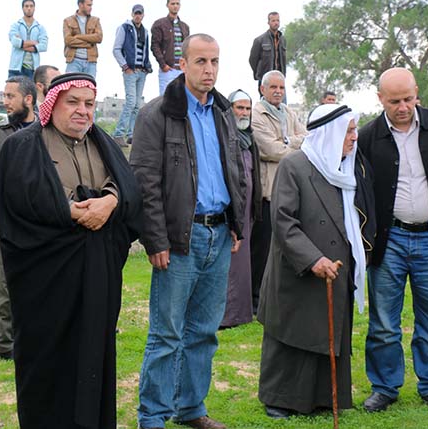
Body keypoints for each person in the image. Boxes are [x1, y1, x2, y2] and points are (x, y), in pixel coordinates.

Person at [0, 72, 142, 429]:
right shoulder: (23, 146)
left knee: (94, 358)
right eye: (72, 102)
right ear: (52, 103)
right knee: (48, 366)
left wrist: (110, 201)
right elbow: (17, 202)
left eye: (89, 104)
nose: (82, 111)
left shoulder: (103, 143)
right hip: (46, 283)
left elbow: (130, 189)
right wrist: (68, 211)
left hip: (96, 276)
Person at [131, 34, 246, 429]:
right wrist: (155, 239)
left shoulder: (223, 112)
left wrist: (236, 222)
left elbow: (235, 170)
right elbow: (144, 182)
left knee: (204, 332)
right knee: (166, 334)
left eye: (214, 61)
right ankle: (152, 416)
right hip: (180, 239)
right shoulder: (157, 114)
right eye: (200, 61)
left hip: (219, 232)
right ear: (182, 64)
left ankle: (191, 408)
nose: (209, 69)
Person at [357, 67, 428, 415]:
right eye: (394, 101)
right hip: (388, 240)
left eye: (408, 98)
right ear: (380, 99)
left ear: (417, 92)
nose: (403, 107)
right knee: (383, 322)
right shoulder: (367, 136)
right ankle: (384, 387)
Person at [258, 103, 374, 419]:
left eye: (354, 130)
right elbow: (283, 221)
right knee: (292, 334)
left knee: (327, 332)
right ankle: (280, 398)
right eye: (349, 131)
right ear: (330, 134)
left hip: (337, 268)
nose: (354, 137)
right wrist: (313, 259)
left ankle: (324, 396)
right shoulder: (294, 166)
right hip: (298, 269)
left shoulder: (347, 169)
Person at [0, 75, 38, 360]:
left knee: (39, 283)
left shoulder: (47, 129)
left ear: (28, 99)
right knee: (1, 284)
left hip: (41, 221)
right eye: (3, 96)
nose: (4, 101)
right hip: (3, 220)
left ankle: (35, 339)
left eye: (10, 96)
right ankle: (5, 346)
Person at [250, 70, 307, 312]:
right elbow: (270, 150)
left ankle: (276, 297)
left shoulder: (289, 112)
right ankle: (255, 299)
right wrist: (292, 143)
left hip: (289, 191)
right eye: (273, 87)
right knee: (261, 250)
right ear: (262, 89)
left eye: (281, 88)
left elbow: (307, 138)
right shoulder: (256, 114)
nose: (277, 92)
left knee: (285, 248)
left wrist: (286, 141)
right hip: (268, 191)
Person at [220, 90, 261, 329]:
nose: (244, 113)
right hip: (230, 207)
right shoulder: (224, 135)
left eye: (247, 109)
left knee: (242, 262)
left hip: (248, 208)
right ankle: (225, 315)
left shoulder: (249, 137)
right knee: (229, 261)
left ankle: (240, 314)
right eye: (240, 108)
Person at [112, 4, 152, 146]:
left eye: (140, 13)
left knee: (137, 105)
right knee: (130, 102)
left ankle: (131, 134)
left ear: (143, 15)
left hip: (142, 71)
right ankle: (118, 134)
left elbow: (145, 50)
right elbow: (116, 49)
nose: (138, 16)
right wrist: (125, 66)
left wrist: (147, 68)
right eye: (136, 13)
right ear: (132, 14)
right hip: (130, 71)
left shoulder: (145, 31)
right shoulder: (124, 28)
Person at [151, 0, 190, 95]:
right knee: (165, 99)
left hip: (182, 70)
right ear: (167, 5)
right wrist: (163, 65)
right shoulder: (159, 24)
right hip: (168, 70)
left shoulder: (185, 27)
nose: (175, 6)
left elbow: (188, 48)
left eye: (177, 4)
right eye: (172, 4)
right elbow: (155, 46)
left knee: (182, 99)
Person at [63, 0, 103, 77]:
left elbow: (99, 38)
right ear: (80, 5)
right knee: (71, 85)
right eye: (88, 5)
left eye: (91, 5)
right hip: (73, 61)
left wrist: (78, 36)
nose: (91, 8)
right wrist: (88, 43)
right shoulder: (67, 20)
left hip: (90, 62)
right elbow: (68, 40)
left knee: (90, 85)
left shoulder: (95, 20)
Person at [8, 0, 48, 78]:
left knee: (32, 87)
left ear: (34, 8)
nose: (29, 8)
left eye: (31, 6)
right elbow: (15, 42)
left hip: (33, 69)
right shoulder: (16, 25)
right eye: (26, 6)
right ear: (22, 8)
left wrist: (22, 44)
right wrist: (34, 43)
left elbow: (44, 46)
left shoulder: (40, 28)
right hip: (16, 68)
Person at [249, 12, 287, 89]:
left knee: (282, 97)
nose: (276, 23)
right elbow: (252, 60)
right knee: (265, 97)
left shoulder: (283, 40)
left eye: (278, 20)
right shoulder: (259, 40)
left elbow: (284, 60)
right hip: (265, 79)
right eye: (273, 21)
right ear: (268, 22)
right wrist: (260, 74)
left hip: (279, 78)